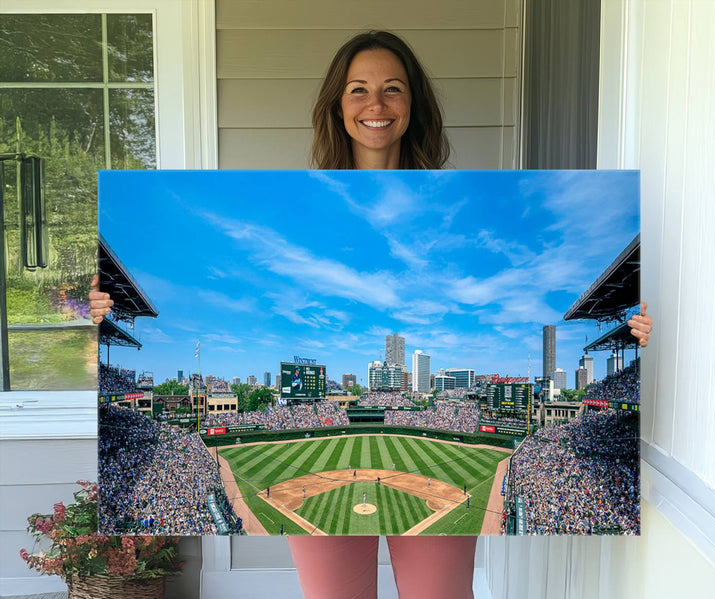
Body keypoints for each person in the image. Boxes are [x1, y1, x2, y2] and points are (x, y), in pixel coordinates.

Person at [89, 28, 654, 599]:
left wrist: (635, 330)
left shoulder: (457, 205)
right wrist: (96, 312)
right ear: (338, 105)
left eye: (393, 89)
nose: (375, 105)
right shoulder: (299, 211)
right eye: (358, 89)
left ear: (413, 105)